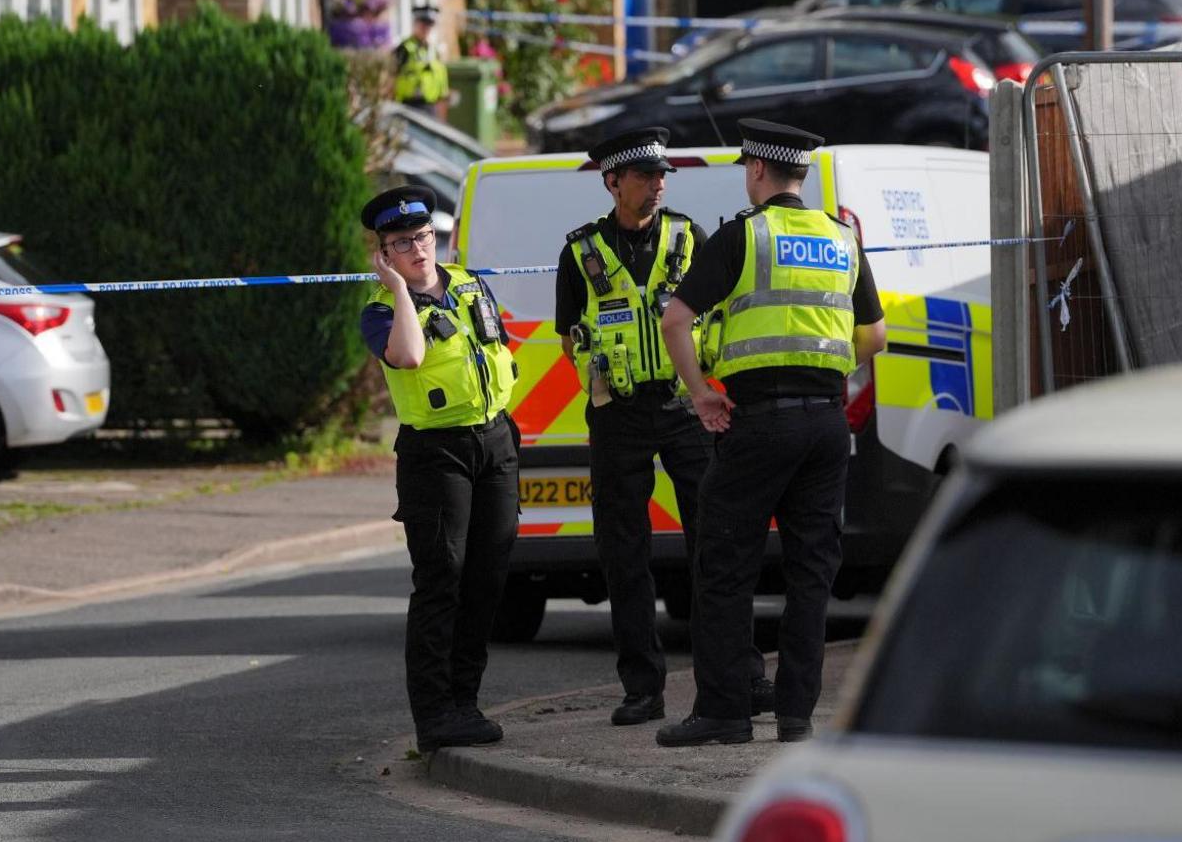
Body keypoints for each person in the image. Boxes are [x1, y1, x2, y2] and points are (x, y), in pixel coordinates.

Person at [653, 119, 887, 747]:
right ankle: (795, 716)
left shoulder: (743, 236)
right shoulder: (842, 239)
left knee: (724, 566)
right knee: (812, 573)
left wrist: (702, 393)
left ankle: (725, 713)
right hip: (826, 424)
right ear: (800, 175)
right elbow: (875, 337)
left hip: (757, 423)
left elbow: (676, 320)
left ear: (757, 170)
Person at [556, 127, 772, 727]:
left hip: (685, 409)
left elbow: (718, 315)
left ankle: (738, 675)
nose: (656, 186)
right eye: (645, 177)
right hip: (618, 415)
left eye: (661, 177)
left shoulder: (688, 236)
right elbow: (569, 333)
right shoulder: (579, 253)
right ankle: (642, 687)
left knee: (717, 542)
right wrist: (593, 380)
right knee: (624, 552)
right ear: (613, 182)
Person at [358, 184, 521, 752]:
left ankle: (465, 703)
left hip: (494, 442)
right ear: (384, 254)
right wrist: (400, 291)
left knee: (486, 578)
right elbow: (408, 356)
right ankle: (434, 716)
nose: (419, 250)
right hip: (436, 455)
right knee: (441, 581)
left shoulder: (472, 285)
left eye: (423, 237)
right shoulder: (381, 311)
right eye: (402, 243)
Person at [392, 5, 450, 119]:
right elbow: (391, 76)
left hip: (431, 107)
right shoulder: (405, 48)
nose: (426, 29)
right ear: (415, 24)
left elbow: (441, 83)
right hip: (409, 106)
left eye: (429, 26)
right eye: (422, 25)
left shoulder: (434, 50)